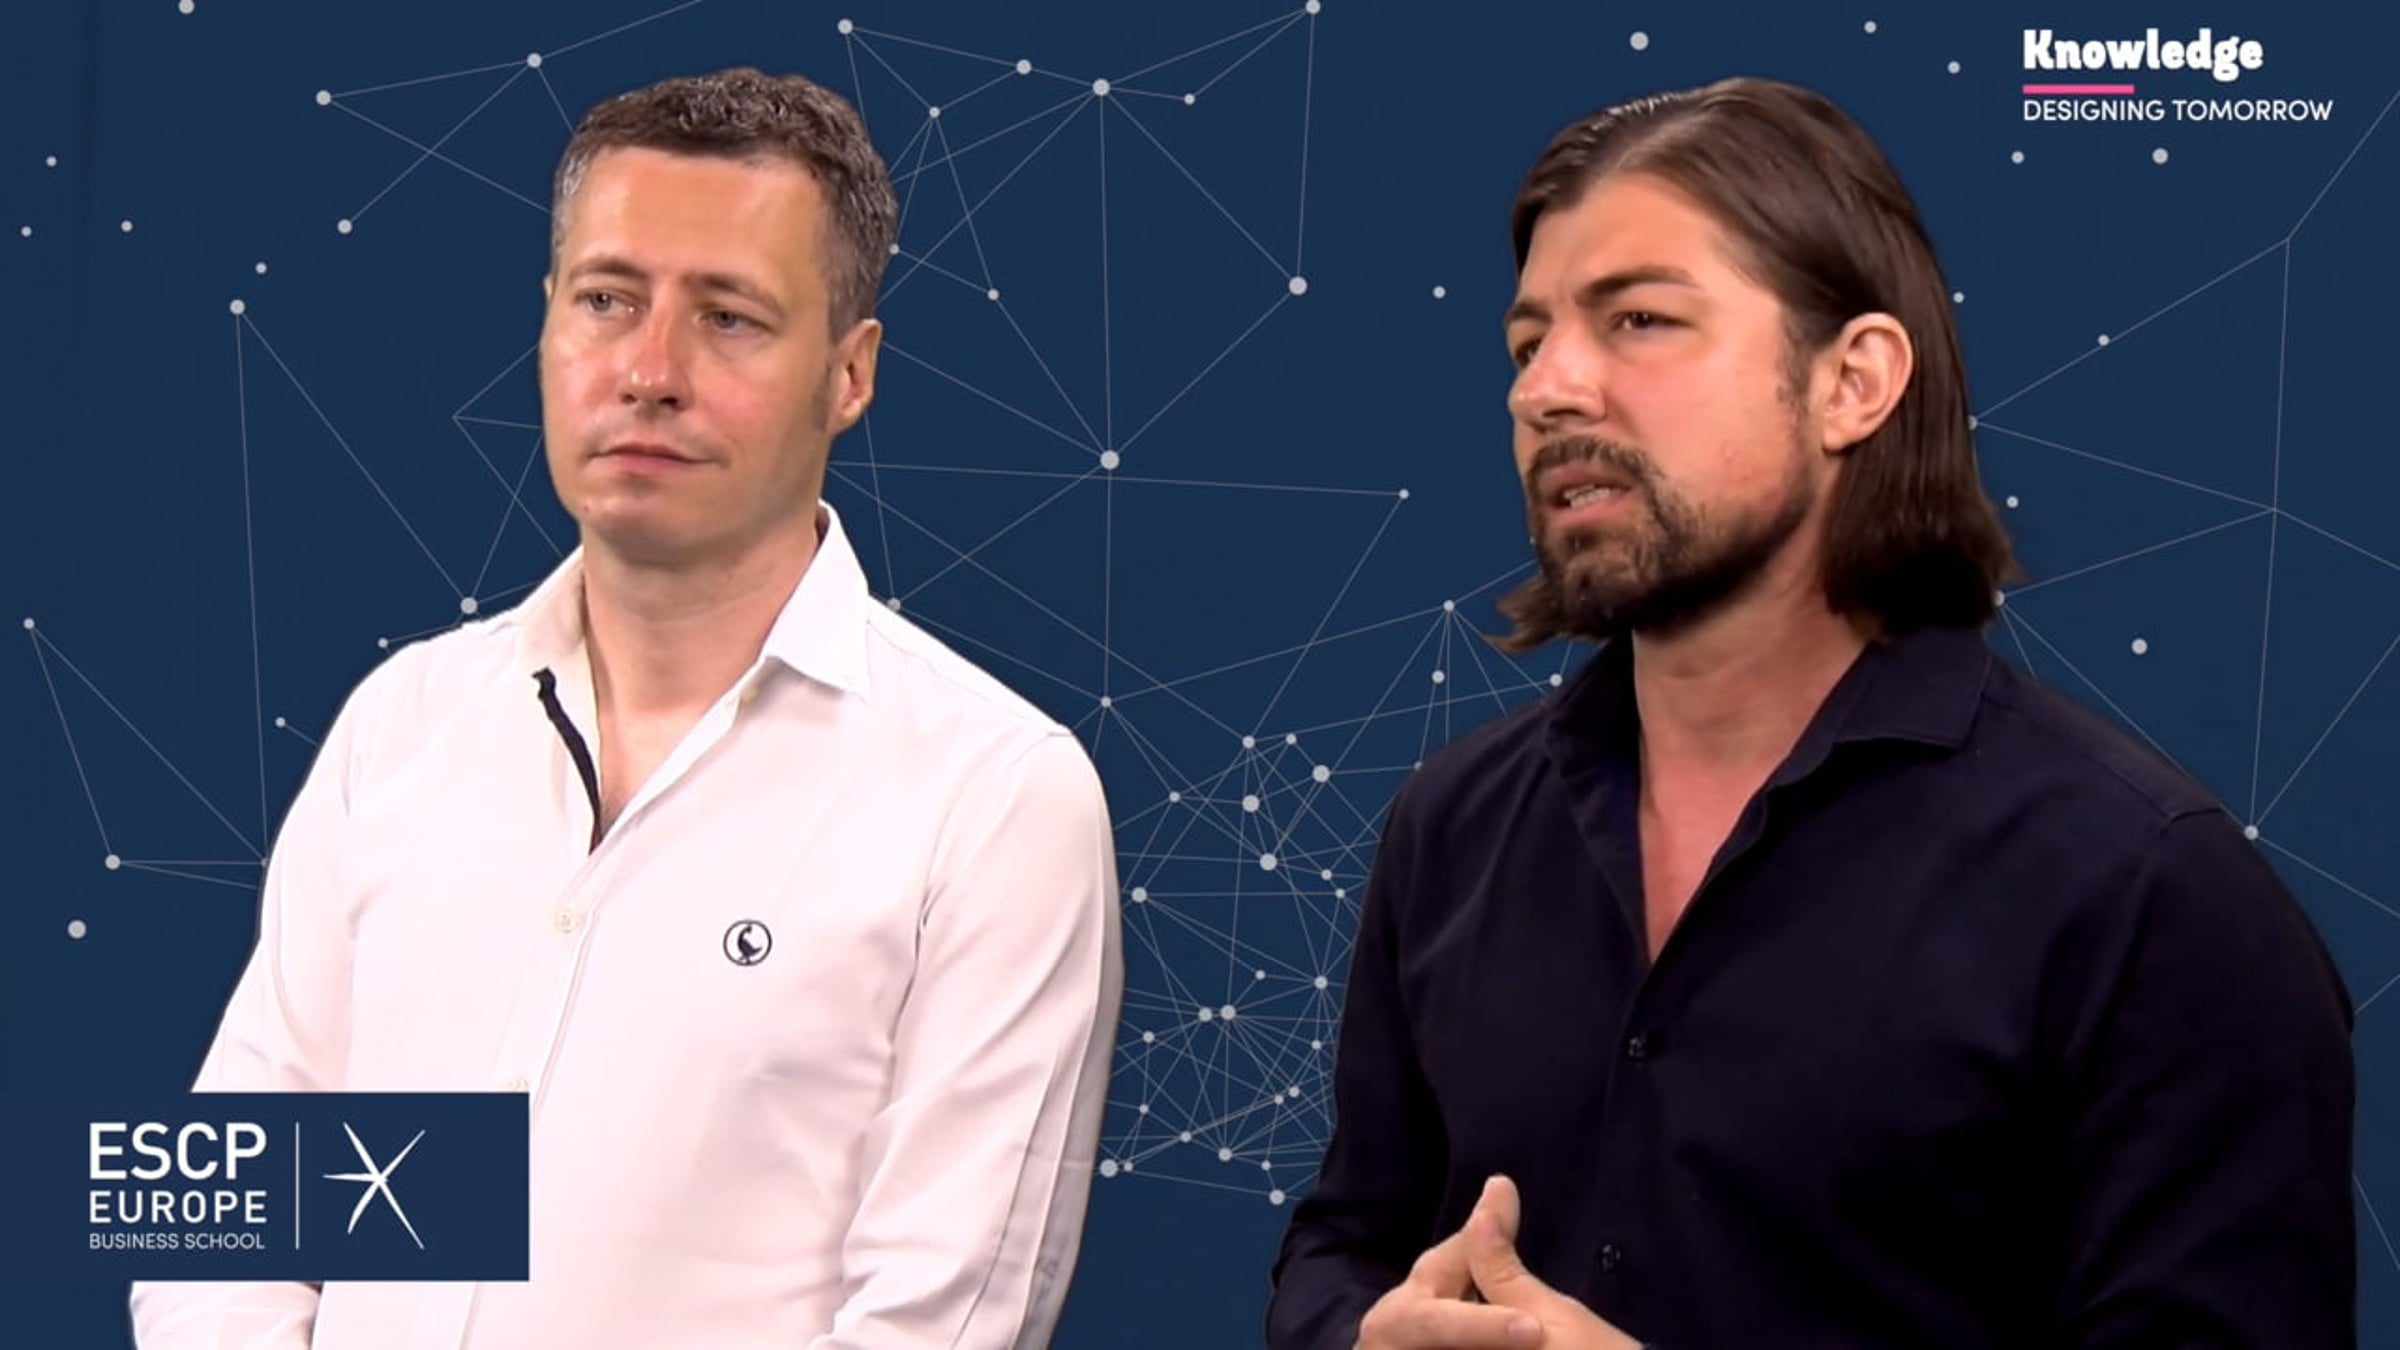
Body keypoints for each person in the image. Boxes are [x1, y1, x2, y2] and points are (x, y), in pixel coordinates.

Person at [1265, 76, 2355, 1350]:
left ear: (1855, 382)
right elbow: (1345, 1242)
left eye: (1640, 320)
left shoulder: (2147, 893)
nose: (1546, 389)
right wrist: (1364, 1335)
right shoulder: (1452, 830)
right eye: (1527, 344)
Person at [131, 67, 1123, 1349]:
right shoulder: (405, 724)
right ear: (548, 323)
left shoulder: (990, 799)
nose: (650, 372)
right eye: (607, 300)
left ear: (850, 373)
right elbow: (231, 1235)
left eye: (729, 318)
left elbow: (935, 1325)